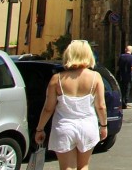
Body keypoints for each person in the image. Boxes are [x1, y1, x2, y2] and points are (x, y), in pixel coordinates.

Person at [34, 39, 107, 170]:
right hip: (87, 125)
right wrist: (104, 126)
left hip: (64, 126)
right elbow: (101, 106)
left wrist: (40, 128)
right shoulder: (95, 77)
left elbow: (48, 108)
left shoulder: (57, 79)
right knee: (84, 166)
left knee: (67, 167)